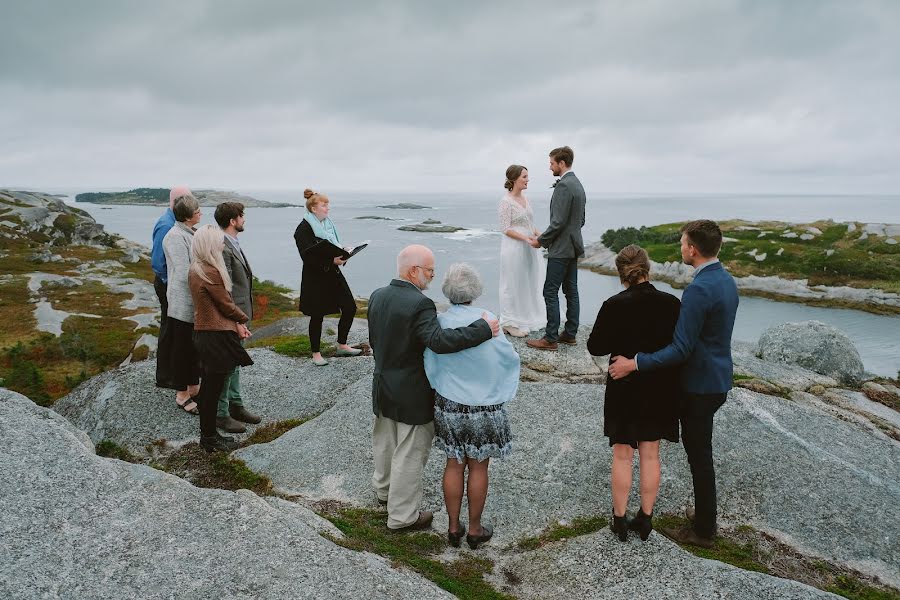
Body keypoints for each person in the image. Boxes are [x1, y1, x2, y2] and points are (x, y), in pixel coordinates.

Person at [608, 220, 739, 548]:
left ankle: (704, 531)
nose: (681, 248)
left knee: (700, 457)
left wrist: (633, 363)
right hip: (719, 377)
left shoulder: (698, 289)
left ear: (693, 249)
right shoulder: (726, 280)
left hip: (699, 385)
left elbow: (681, 348)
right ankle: (703, 519)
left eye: (682, 243)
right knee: (700, 454)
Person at [367, 245, 500, 532]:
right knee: (409, 453)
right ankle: (402, 516)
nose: (432, 276)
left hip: (382, 383)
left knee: (385, 443)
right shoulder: (420, 303)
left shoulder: (378, 295)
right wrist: (483, 329)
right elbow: (438, 341)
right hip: (411, 391)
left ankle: (383, 493)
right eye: (429, 270)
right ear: (413, 270)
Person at [586, 245, 681, 542]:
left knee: (623, 454)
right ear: (647, 269)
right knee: (651, 454)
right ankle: (646, 517)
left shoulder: (613, 304)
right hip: (659, 385)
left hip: (623, 385)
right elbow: (678, 347)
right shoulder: (671, 303)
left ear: (620, 274)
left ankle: (619, 519)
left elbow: (595, 347)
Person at [424, 263, 519, 549]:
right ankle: (475, 530)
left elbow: (431, 362)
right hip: (485, 406)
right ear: (475, 290)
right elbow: (507, 356)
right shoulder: (487, 319)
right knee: (479, 467)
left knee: (454, 463)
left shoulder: (439, 322)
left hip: (450, 403)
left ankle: (453, 528)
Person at [188, 225, 253, 452]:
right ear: (209, 244)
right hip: (214, 337)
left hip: (207, 334)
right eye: (218, 241)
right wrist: (243, 319)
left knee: (209, 390)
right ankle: (208, 438)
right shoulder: (211, 271)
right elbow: (225, 304)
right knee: (212, 391)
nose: (222, 244)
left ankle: (209, 436)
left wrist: (236, 324)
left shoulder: (196, 268)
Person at [527, 145, 586, 351]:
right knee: (572, 291)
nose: (550, 166)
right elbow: (581, 220)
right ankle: (570, 334)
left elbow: (558, 222)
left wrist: (541, 240)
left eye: (552, 163)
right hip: (574, 246)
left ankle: (550, 338)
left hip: (561, 249)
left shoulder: (563, 186)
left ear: (562, 163)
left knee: (549, 291)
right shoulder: (578, 184)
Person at [293, 189, 362, 366]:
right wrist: (332, 260)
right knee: (317, 315)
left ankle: (342, 344)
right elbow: (307, 256)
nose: (327, 208)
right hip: (315, 278)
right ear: (314, 208)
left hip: (333, 274)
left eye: (327, 205)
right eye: (324, 205)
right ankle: (316, 353)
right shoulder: (303, 229)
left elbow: (332, 246)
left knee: (350, 307)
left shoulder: (327, 224)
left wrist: (343, 252)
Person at [214, 202, 261, 434]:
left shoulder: (233, 243)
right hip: (234, 317)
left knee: (235, 362)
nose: (244, 220)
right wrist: (237, 320)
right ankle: (221, 413)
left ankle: (236, 404)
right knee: (228, 365)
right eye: (242, 216)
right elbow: (227, 289)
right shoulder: (223, 247)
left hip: (240, 314)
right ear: (233, 221)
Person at [162, 193, 203, 414]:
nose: (201, 213)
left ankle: (193, 385)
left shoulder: (190, 232)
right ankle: (181, 394)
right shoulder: (175, 237)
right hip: (183, 303)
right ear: (188, 216)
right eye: (197, 211)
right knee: (182, 349)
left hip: (193, 301)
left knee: (193, 347)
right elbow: (182, 273)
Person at [498, 165, 545, 338]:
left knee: (528, 282)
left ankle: (525, 317)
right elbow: (504, 228)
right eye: (524, 177)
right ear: (514, 179)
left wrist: (543, 237)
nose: (527, 180)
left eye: (527, 176)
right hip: (513, 248)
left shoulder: (525, 199)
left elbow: (530, 225)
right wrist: (526, 239)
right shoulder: (505, 201)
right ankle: (509, 322)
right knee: (511, 283)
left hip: (530, 247)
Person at [151, 186, 189, 390]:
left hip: (171, 283)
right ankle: (165, 376)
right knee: (169, 328)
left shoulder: (174, 221)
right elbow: (158, 262)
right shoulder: (167, 225)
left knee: (173, 328)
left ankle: (172, 372)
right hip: (168, 284)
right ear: (178, 202)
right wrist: (170, 284)